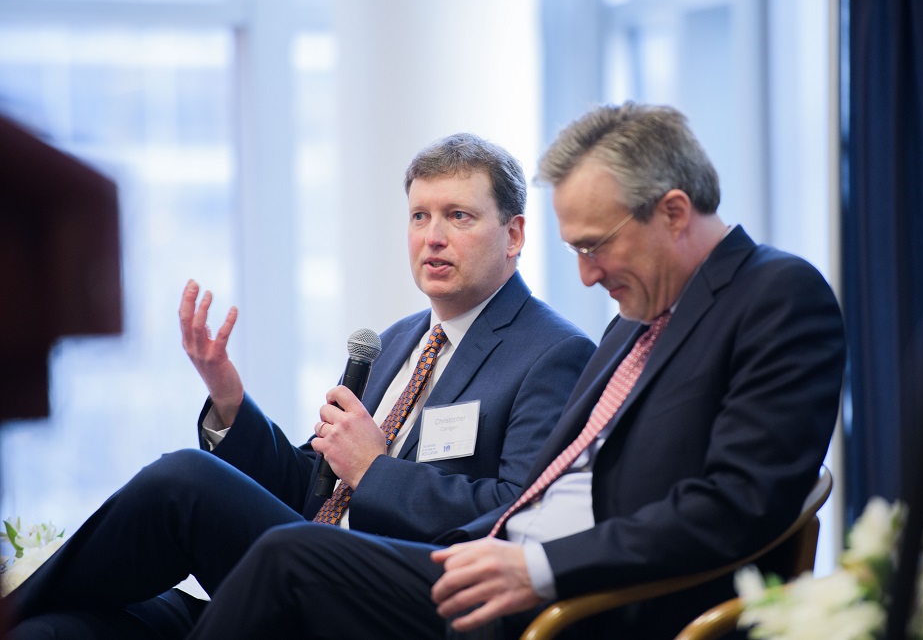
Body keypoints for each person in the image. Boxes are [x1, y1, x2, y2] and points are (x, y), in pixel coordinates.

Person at [174, 101, 848, 639]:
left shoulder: (776, 296)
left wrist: (539, 566)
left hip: (583, 601)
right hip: (498, 566)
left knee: (289, 556)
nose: (585, 276)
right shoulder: (634, 324)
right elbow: (542, 489)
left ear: (673, 212)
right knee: (137, 569)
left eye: (596, 247)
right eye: (419, 217)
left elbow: (734, 505)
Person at [6, 133, 596, 638]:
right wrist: (230, 405)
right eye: (420, 216)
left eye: (458, 216)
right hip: (287, 578)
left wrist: (375, 471)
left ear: (514, 234)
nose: (432, 237)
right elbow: (307, 491)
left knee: (182, 480)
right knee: (53, 632)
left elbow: (516, 520)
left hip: (393, 602)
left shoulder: (552, 354)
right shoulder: (395, 343)